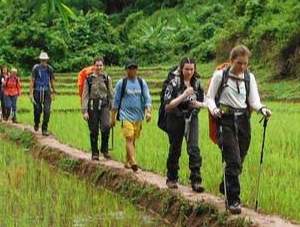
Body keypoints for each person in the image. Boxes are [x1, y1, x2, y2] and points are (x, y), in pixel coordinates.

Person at [205, 45, 272, 215]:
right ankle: (234, 200)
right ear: (231, 60)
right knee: (233, 160)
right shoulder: (220, 75)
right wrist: (214, 110)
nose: (242, 67)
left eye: (245, 64)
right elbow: (210, 98)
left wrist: (262, 109)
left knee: (240, 159)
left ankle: (225, 185)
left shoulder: (249, 78)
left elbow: (254, 100)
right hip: (225, 120)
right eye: (239, 63)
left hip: (243, 121)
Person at [162, 57, 206, 192]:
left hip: (192, 117)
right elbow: (168, 105)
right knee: (176, 147)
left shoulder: (197, 83)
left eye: (192, 69)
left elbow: (203, 102)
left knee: (194, 148)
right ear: (181, 69)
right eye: (186, 69)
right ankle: (172, 178)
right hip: (175, 117)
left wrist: (198, 105)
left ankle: (196, 180)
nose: (189, 72)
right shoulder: (174, 82)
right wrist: (184, 95)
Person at [111, 61, 152, 172]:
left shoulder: (141, 82)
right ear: (126, 70)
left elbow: (147, 98)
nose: (132, 71)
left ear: (137, 70)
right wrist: (112, 117)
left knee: (132, 140)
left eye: (134, 68)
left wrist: (148, 112)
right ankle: (134, 161)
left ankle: (127, 161)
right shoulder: (122, 83)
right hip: (125, 115)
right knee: (129, 138)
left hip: (138, 116)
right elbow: (116, 100)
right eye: (130, 68)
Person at [81, 57, 113, 160]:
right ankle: (95, 152)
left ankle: (105, 149)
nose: (99, 67)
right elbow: (85, 96)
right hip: (92, 106)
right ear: (93, 66)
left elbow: (111, 94)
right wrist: (85, 111)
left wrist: (113, 109)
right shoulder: (88, 79)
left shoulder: (107, 78)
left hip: (104, 105)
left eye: (100, 65)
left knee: (106, 126)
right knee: (94, 129)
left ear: (103, 66)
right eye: (97, 65)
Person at [30, 52, 56, 136]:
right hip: (37, 90)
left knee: (47, 110)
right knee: (38, 110)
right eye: (42, 60)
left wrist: (53, 91)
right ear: (40, 60)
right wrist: (31, 93)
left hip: (46, 91)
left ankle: (44, 128)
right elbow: (32, 80)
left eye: (45, 60)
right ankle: (36, 123)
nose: (44, 62)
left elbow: (52, 80)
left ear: (47, 60)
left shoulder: (50, 69)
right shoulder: (36, 68)